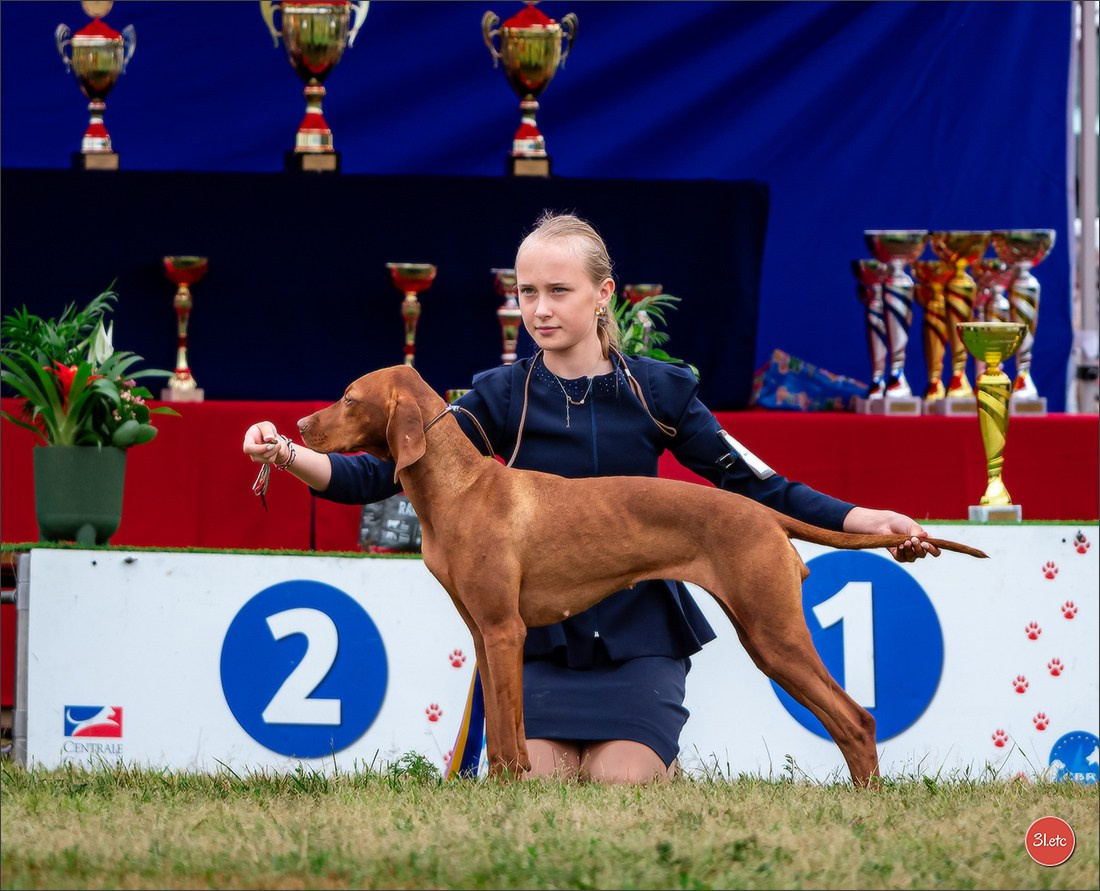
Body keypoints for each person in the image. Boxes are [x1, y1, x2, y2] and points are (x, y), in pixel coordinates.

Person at [243, 210, 941, 785]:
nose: (539, 309)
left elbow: (754, 484)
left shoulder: (660, 390)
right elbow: (389, 472)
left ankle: (860, 764)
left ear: (603, 294)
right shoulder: (500, 394)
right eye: (527, 292)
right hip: (544, 651)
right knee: (540, 784)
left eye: (558, 290)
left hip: (640, 642)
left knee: (633, 772)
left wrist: (863, 519)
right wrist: (289, 453)